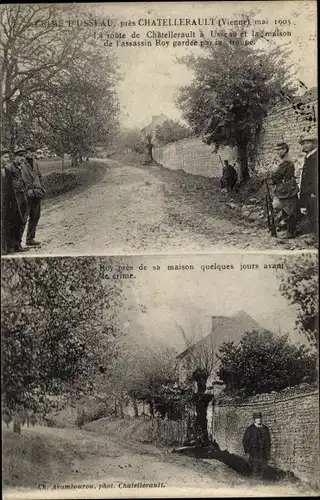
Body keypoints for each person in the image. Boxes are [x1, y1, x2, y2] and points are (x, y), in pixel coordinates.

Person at [270, 142, 299, 239]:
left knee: (289, 210)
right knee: (286, 209)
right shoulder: (285, 160)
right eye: (276, 150)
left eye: (280, 149)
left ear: (285, 149)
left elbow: (276, 175)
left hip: (287, 189)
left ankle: (290, 232)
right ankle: (287, 230)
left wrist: (273, 177)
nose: (278, 152)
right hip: (286, 187)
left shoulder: (286, 161)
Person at [1, 148, 28, 253]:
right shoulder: (10, 168)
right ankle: (11, 245)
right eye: (20, 156)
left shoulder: (20, 167)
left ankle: (17, 244)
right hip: (14, 198)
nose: (22, 158)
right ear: (15, 157)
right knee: (13, 221)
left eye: (24, 157)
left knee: (21, 221)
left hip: (22, 196)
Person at [20, 145, 46, 246]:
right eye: (30, 152)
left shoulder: (35, 162)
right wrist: (25, 190)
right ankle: (16, 242)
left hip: (37, 193)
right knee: (23, 218)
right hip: (27, 194)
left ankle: (30, 239)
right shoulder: (22, 163)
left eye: (34, 152)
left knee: (35, 216)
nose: (32, 154)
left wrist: (42, 187)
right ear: (26, 152)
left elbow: (39, 175)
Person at [242, 411, 271, 478]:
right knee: (254, 469)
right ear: (254, 419)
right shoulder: (250, 429)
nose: (259, 419)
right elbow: (245, 441)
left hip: (263, 453)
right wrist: (247, 452)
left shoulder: (265, 429)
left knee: (262, 470)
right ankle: (254, 483)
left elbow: (268, 442)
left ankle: (261, 484)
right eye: (257, 418)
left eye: (260, 418)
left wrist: (268, 453)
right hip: (253, 453)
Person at [299, 134, 318, 235]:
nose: (304, 146)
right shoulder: (308, 157)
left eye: (307, 143)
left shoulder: (315, 157)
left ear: (314, 144)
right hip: (307, 192)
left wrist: (314, 192)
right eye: (303, 144)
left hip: (313, 192)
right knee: (311, 214)